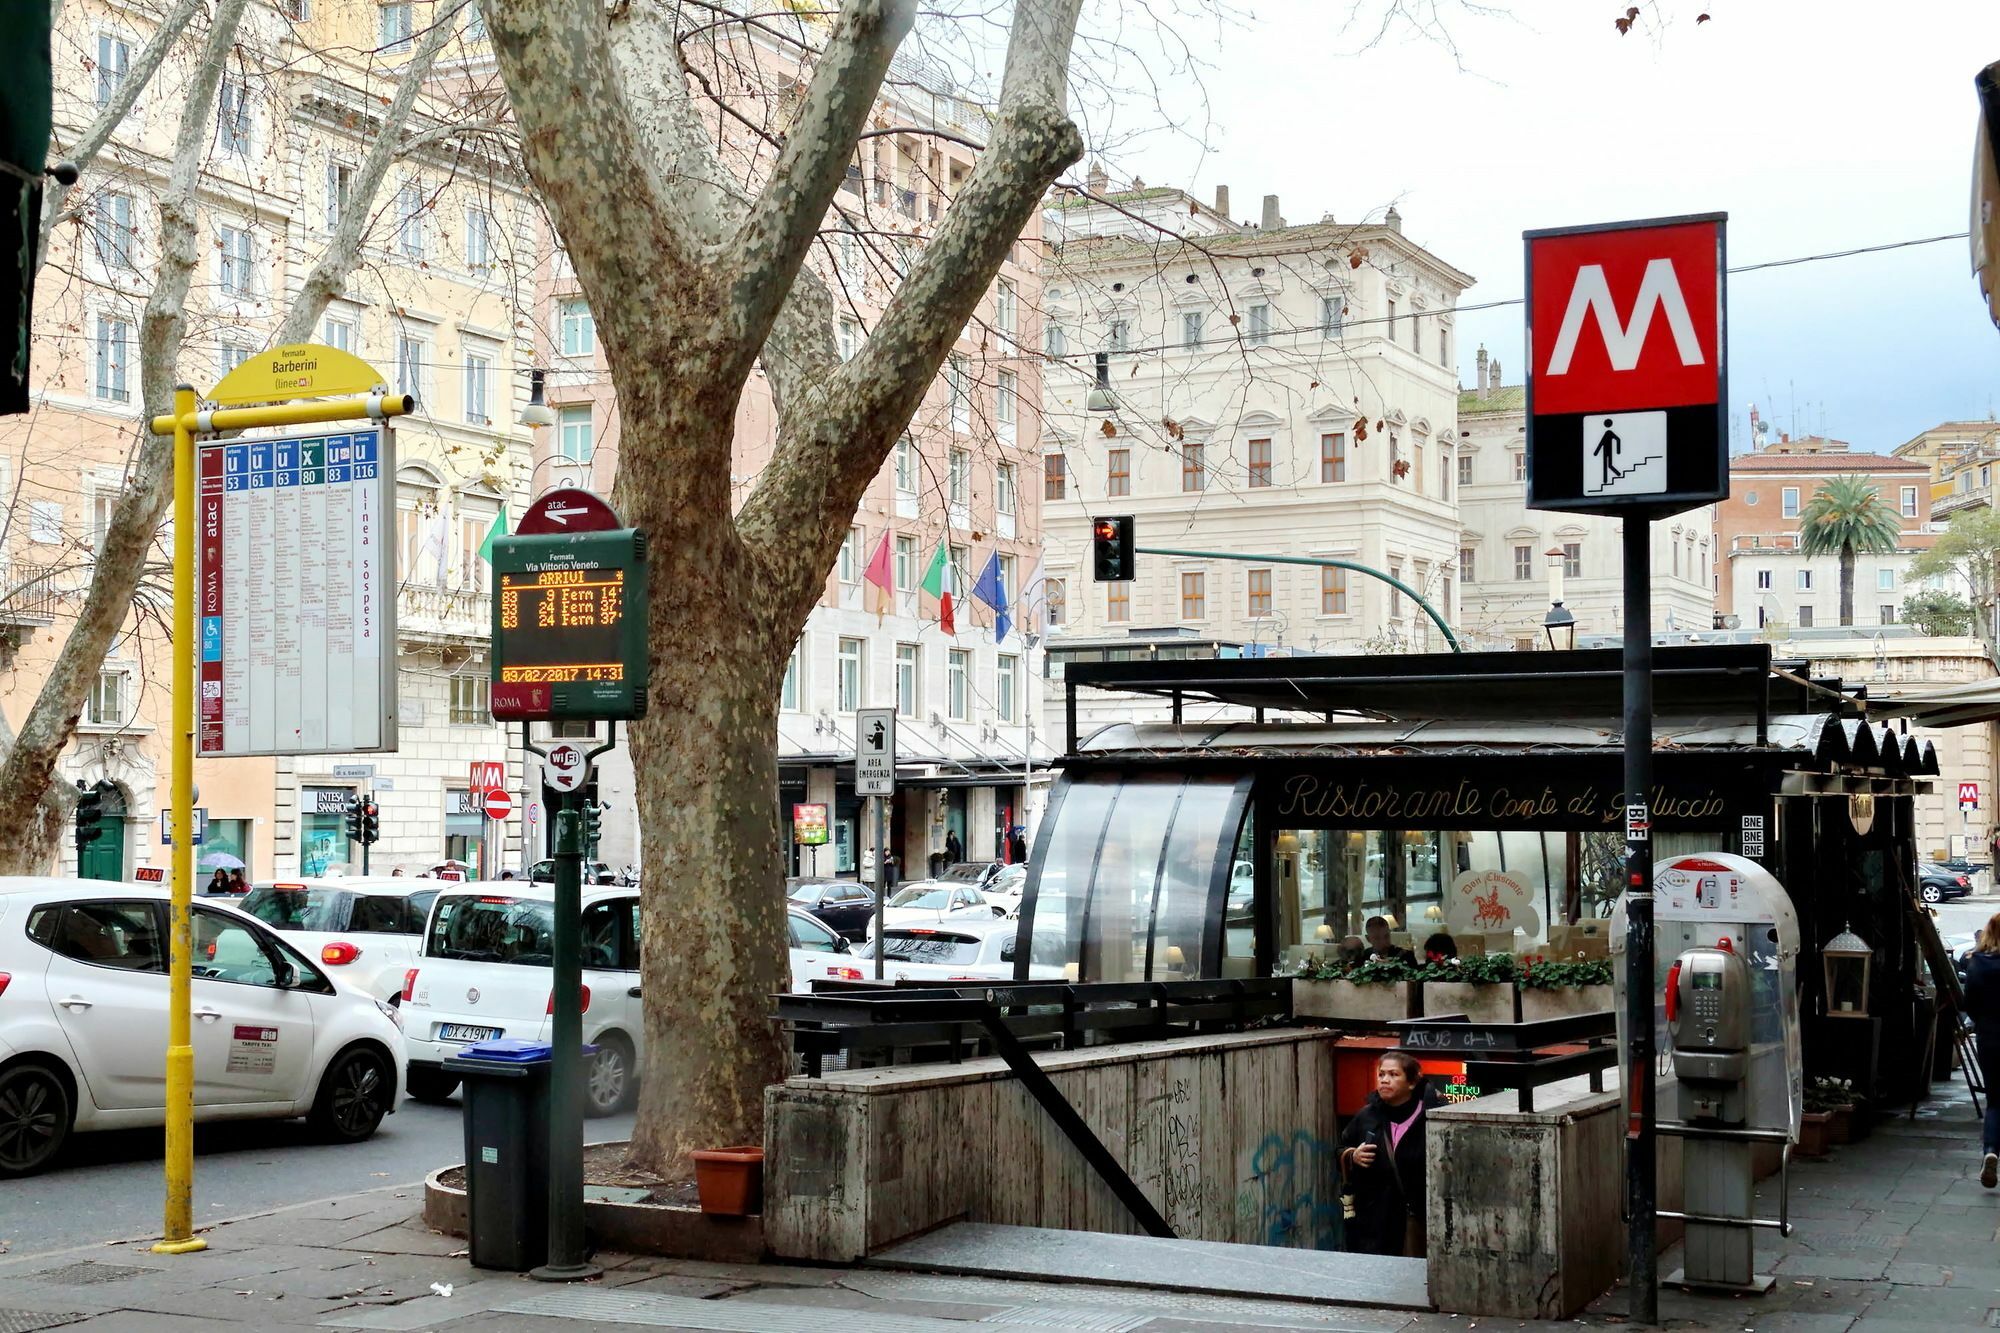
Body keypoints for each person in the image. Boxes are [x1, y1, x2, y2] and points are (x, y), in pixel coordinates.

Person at [1339, 1051, 1443, 1256]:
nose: (1385, 1080)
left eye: (1394, 1075)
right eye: (1381, 1074)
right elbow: (1340, 1148)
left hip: (1420, 1221)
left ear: (1412, 1082)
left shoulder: (1433, 1116)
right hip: (1375, 1224)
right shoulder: (1367, 1116)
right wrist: (1353, 1155)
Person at [1965, 911, 2000, 1189]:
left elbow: (1970, 1005)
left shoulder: (1977, 964)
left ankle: (1990, 1150)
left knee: (1995, 1101)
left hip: (1990, 1038)